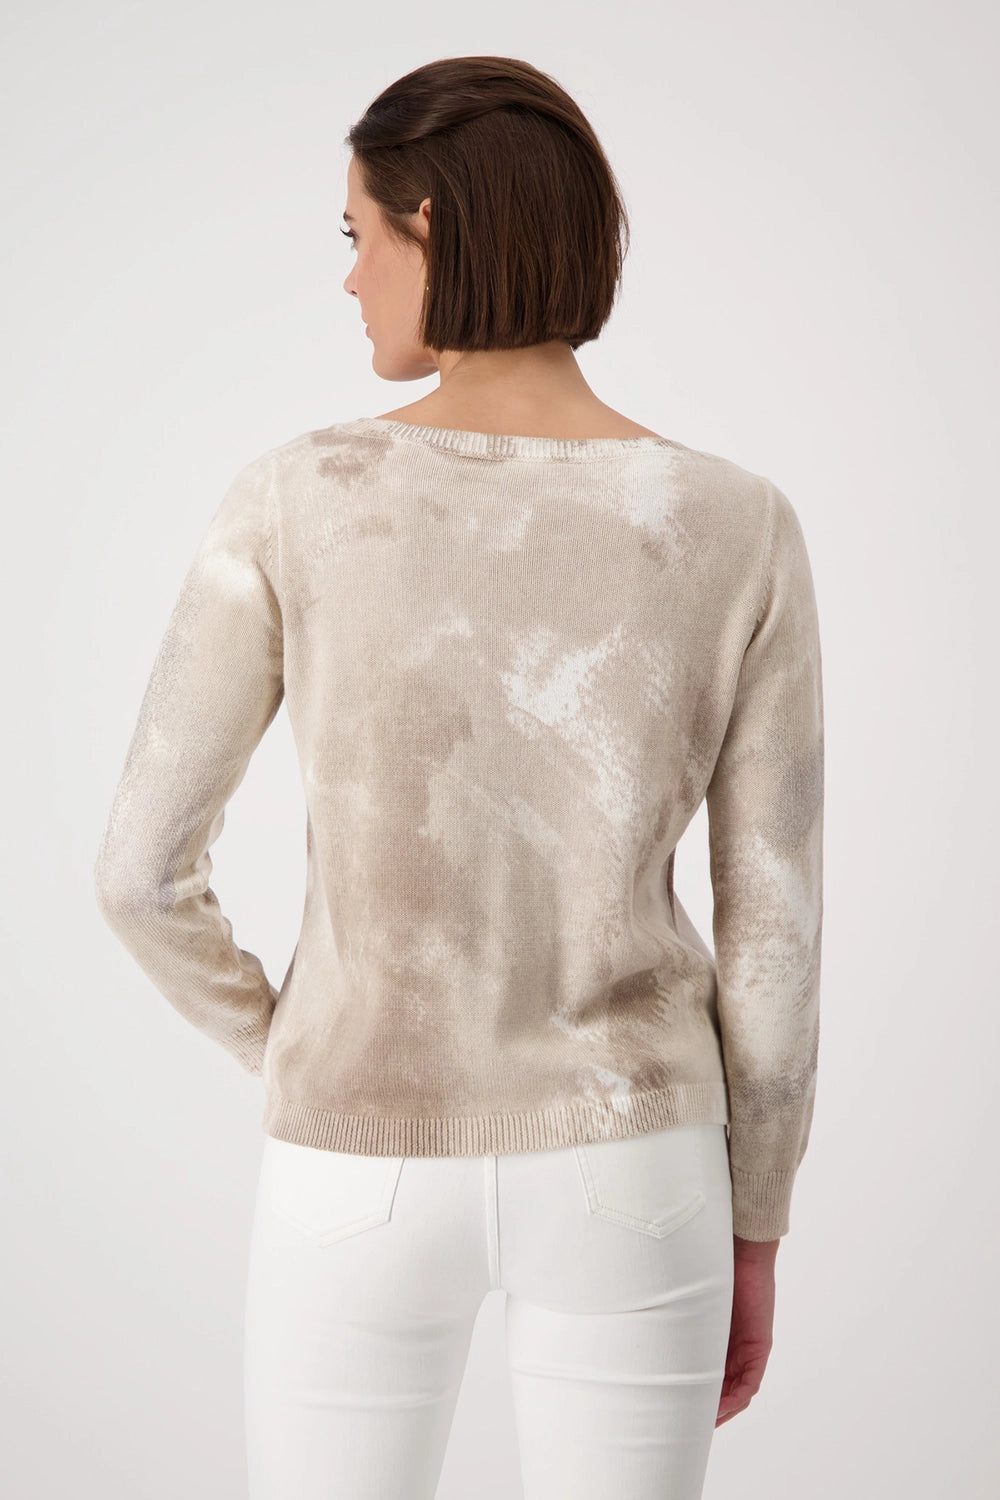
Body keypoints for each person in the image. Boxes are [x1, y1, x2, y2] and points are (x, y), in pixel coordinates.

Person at [93, 54, 824, 1500]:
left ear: (433, 225)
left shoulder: (296, 498)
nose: (349, 277)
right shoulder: (737, 525)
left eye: (358, 234)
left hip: (357, 1164)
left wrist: (296, 1043)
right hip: (636, 1162)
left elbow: (137, 875)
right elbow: (776, 940)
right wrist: (758, 1222)